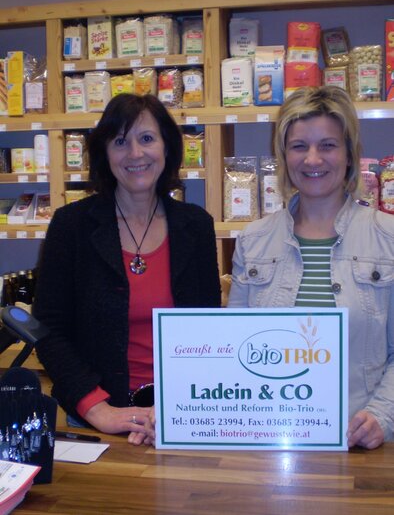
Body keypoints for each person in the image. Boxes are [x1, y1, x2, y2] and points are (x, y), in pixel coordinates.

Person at [33, 93, 221, 446]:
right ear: (105, 152)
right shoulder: (72, 225)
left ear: (167, 147)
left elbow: (207, 331)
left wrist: (178, 407)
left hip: (181, 416)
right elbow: (49, 330)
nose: (135, 154)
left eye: (147, 139)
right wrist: (98, 409)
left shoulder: (195, 226)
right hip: (96, 420)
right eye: (120, 141)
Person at [228, 86, 394, 449]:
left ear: (349, 155)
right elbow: (235, 348)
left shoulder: (388, 238)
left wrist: (383, 416)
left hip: (361, 446)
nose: (312, 159)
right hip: (269, 441)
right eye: (299, 146)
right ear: (284, 155)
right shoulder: (253, 241)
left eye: (328, 145)